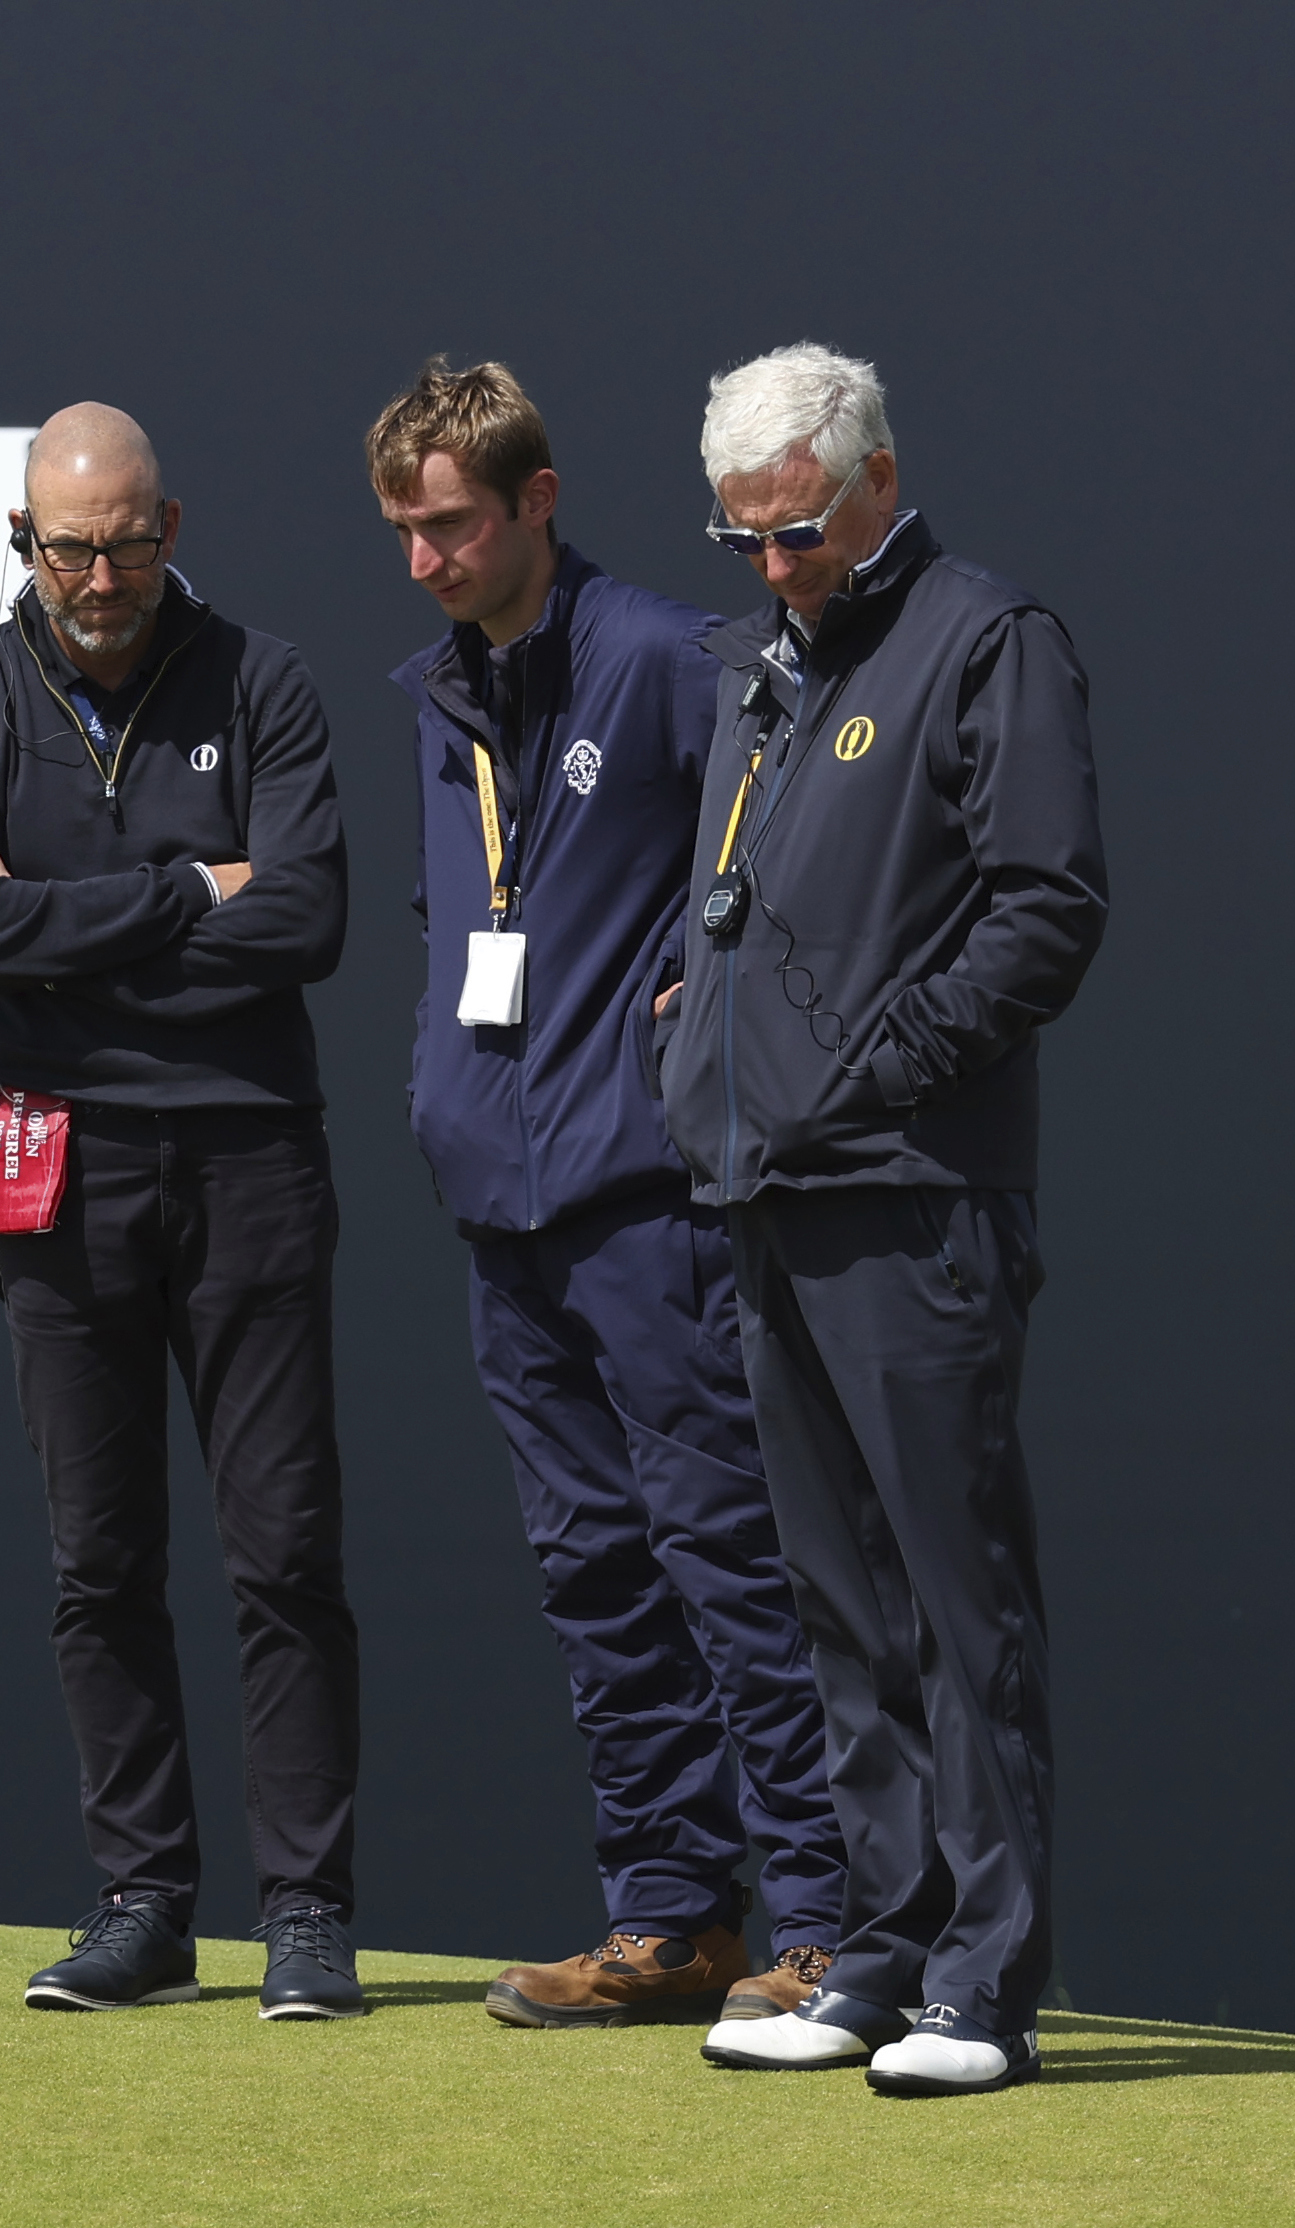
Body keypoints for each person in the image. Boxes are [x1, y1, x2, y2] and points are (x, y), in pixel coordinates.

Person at [366, 360, 850, 2041]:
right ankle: (666, 1917)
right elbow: (463, 923)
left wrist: (695, 979)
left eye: (450, 525)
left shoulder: (656, 652)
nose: (424, 558)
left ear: (537, 500)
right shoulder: (438, 690)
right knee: (589, 1570)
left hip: (643, 1195)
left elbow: (802, 806)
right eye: (402, 531)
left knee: (722, 1552)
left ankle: (817, 1921)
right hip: (499, 1200)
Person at [661, 344, 1107, 2095]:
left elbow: (1043, 908)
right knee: (835, 1605)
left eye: (797, 530)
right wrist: (690, 1049)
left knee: (950, 1594)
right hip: (763, 1183)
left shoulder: (984, 639)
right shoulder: (765, 661)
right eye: (743, 537)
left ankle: (981, 1981)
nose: (773, 563)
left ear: (875, 478)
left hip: (909, 1194)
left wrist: (864, 1066)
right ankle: (873, 1944)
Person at [0, 403, 363, 2019]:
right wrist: (186, 891)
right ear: (22, 544)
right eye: (68, 548)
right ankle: (142, 1905)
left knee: (282, 1556)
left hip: (245, 1157)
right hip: (50, 1165)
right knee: (98, 1561)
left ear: (174, 525)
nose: (101, 578)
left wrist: (59, 931)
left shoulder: (267, 681)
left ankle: (305, 1914)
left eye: (128, 542)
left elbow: (305, 917)